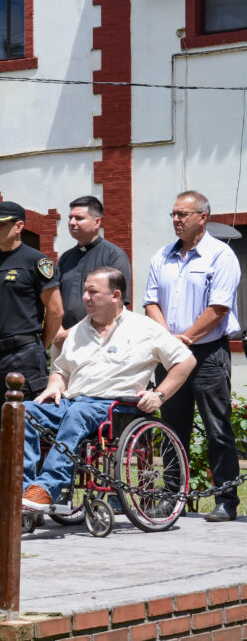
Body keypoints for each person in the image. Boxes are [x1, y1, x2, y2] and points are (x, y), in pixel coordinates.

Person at [0, 267, 195, 513]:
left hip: (116, 407)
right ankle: (14, 487)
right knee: (21, 411)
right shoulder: (78, 330)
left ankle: (48, 488)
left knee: (79, 411)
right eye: (84, 292)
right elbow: (61, 370)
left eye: (92, 292)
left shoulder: (144, 328)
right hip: (74, 403)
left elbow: (186, 361)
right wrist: (54, 385)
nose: (85, 297)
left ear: (116, 295)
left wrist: (160, 395)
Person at [144, 190, 242, 522]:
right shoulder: (162, 256)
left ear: (203, 217)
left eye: (182, 214)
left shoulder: (221, 256)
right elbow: (150, 302)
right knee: (173, 427)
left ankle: (226, 500)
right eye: (173, 214)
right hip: (171, 355)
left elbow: (219, 308)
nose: (175, 220)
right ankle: (173, 498)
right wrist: (169, 340)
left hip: (207, 352)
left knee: (217, 428)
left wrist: (185, 338)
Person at [0, 201, 62, 521]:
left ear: (19, 226)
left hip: (23, 357)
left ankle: (27, 504)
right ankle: (4, 498)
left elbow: (55, 312)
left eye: (0, 224)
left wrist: (37, 346)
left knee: (25, 430)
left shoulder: (37, 262)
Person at [55, 196, 132, 342]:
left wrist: (71, 333)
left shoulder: (114, 256)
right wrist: (59, 331)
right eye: (70, 218)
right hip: (63, 340)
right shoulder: (65, 258)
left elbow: (116, 305)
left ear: (97, 222)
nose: (72, 223)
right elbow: (54, 299)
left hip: (99, 339)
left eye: (79, 218)